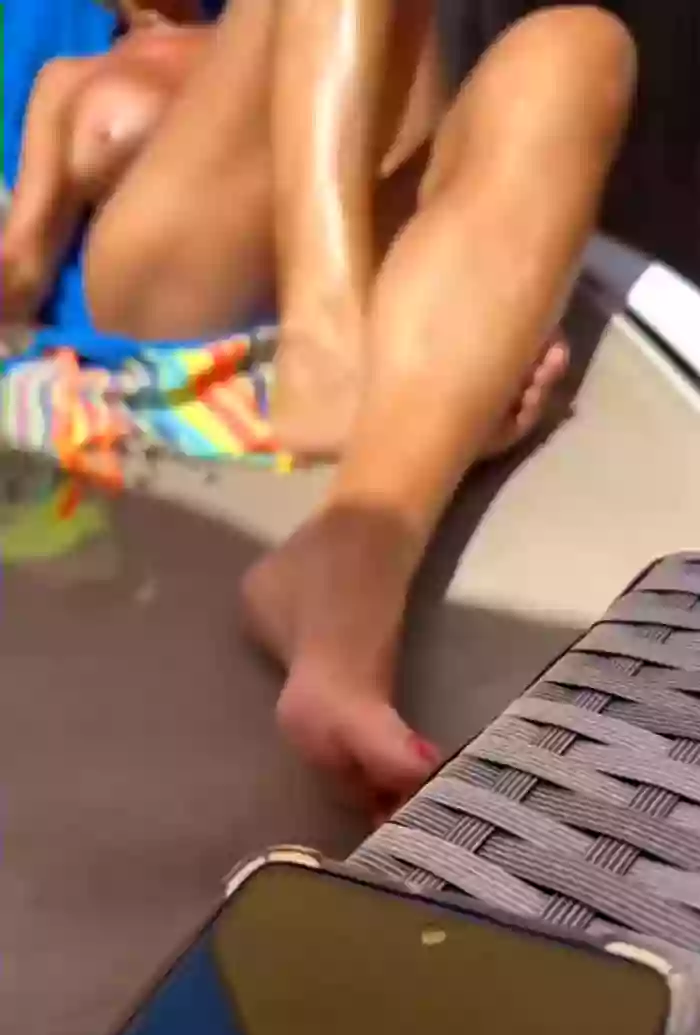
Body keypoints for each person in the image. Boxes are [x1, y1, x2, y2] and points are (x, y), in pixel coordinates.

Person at [3, 0, 636, 813]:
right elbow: (22, 266)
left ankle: (347, 573)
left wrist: (491, 320)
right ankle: (329, 351)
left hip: (351, 245)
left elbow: (431, 159)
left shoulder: (325, 24)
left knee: (579, 45)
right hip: (166, 301)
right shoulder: (67, 65)